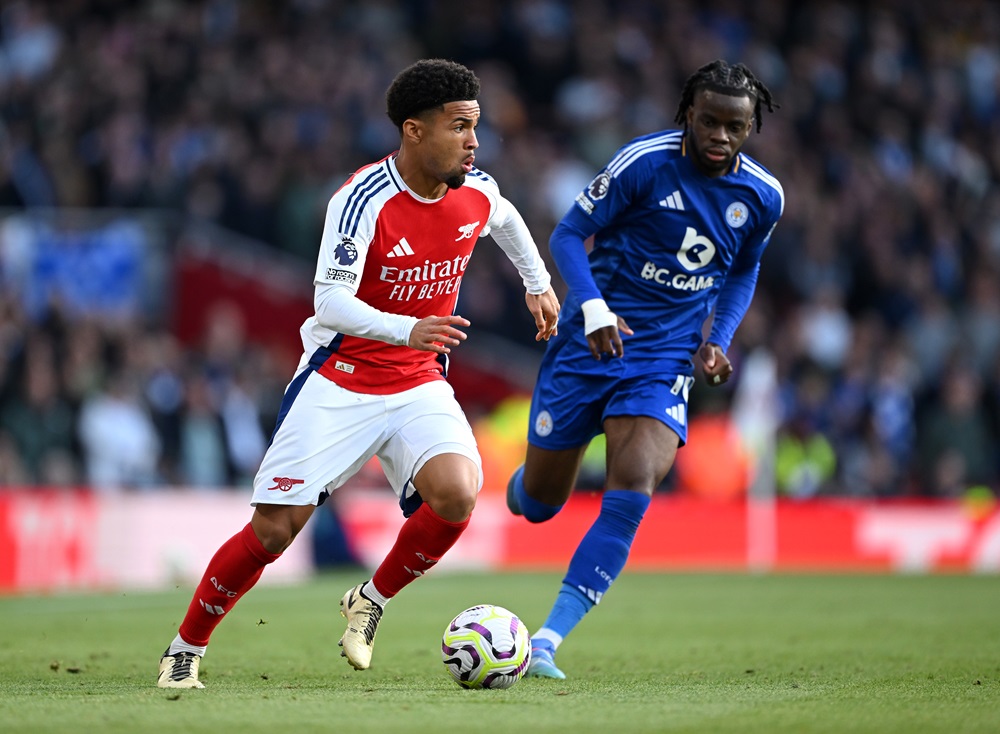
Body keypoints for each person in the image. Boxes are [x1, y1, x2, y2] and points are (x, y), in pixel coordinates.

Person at [157, 58, 560, 689]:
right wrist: (409, 328)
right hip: (340, 378)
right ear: (414, 130)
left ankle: (369, 601)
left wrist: (537, 284)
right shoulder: (362, 200)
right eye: (460, 127)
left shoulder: (475, 190)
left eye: (475, 127)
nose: (474, 142)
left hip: (418, 379)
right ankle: (185, 648)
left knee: (457, 493)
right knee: (272, 532)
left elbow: (504, 219)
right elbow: (330, 303)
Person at [506, 59, 783, 679]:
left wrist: (719, 337)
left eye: (733, 126)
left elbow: (742, 269)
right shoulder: (644, 163)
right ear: (688, 113)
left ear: (749, 127)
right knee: (542, 503)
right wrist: (597, 309)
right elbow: (568, 235)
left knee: (633, 482)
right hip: (588, 344)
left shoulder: (763, 197)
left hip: (662, 357)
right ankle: (526, 486)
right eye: (708, 121)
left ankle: (548, 639)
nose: (719, 135)